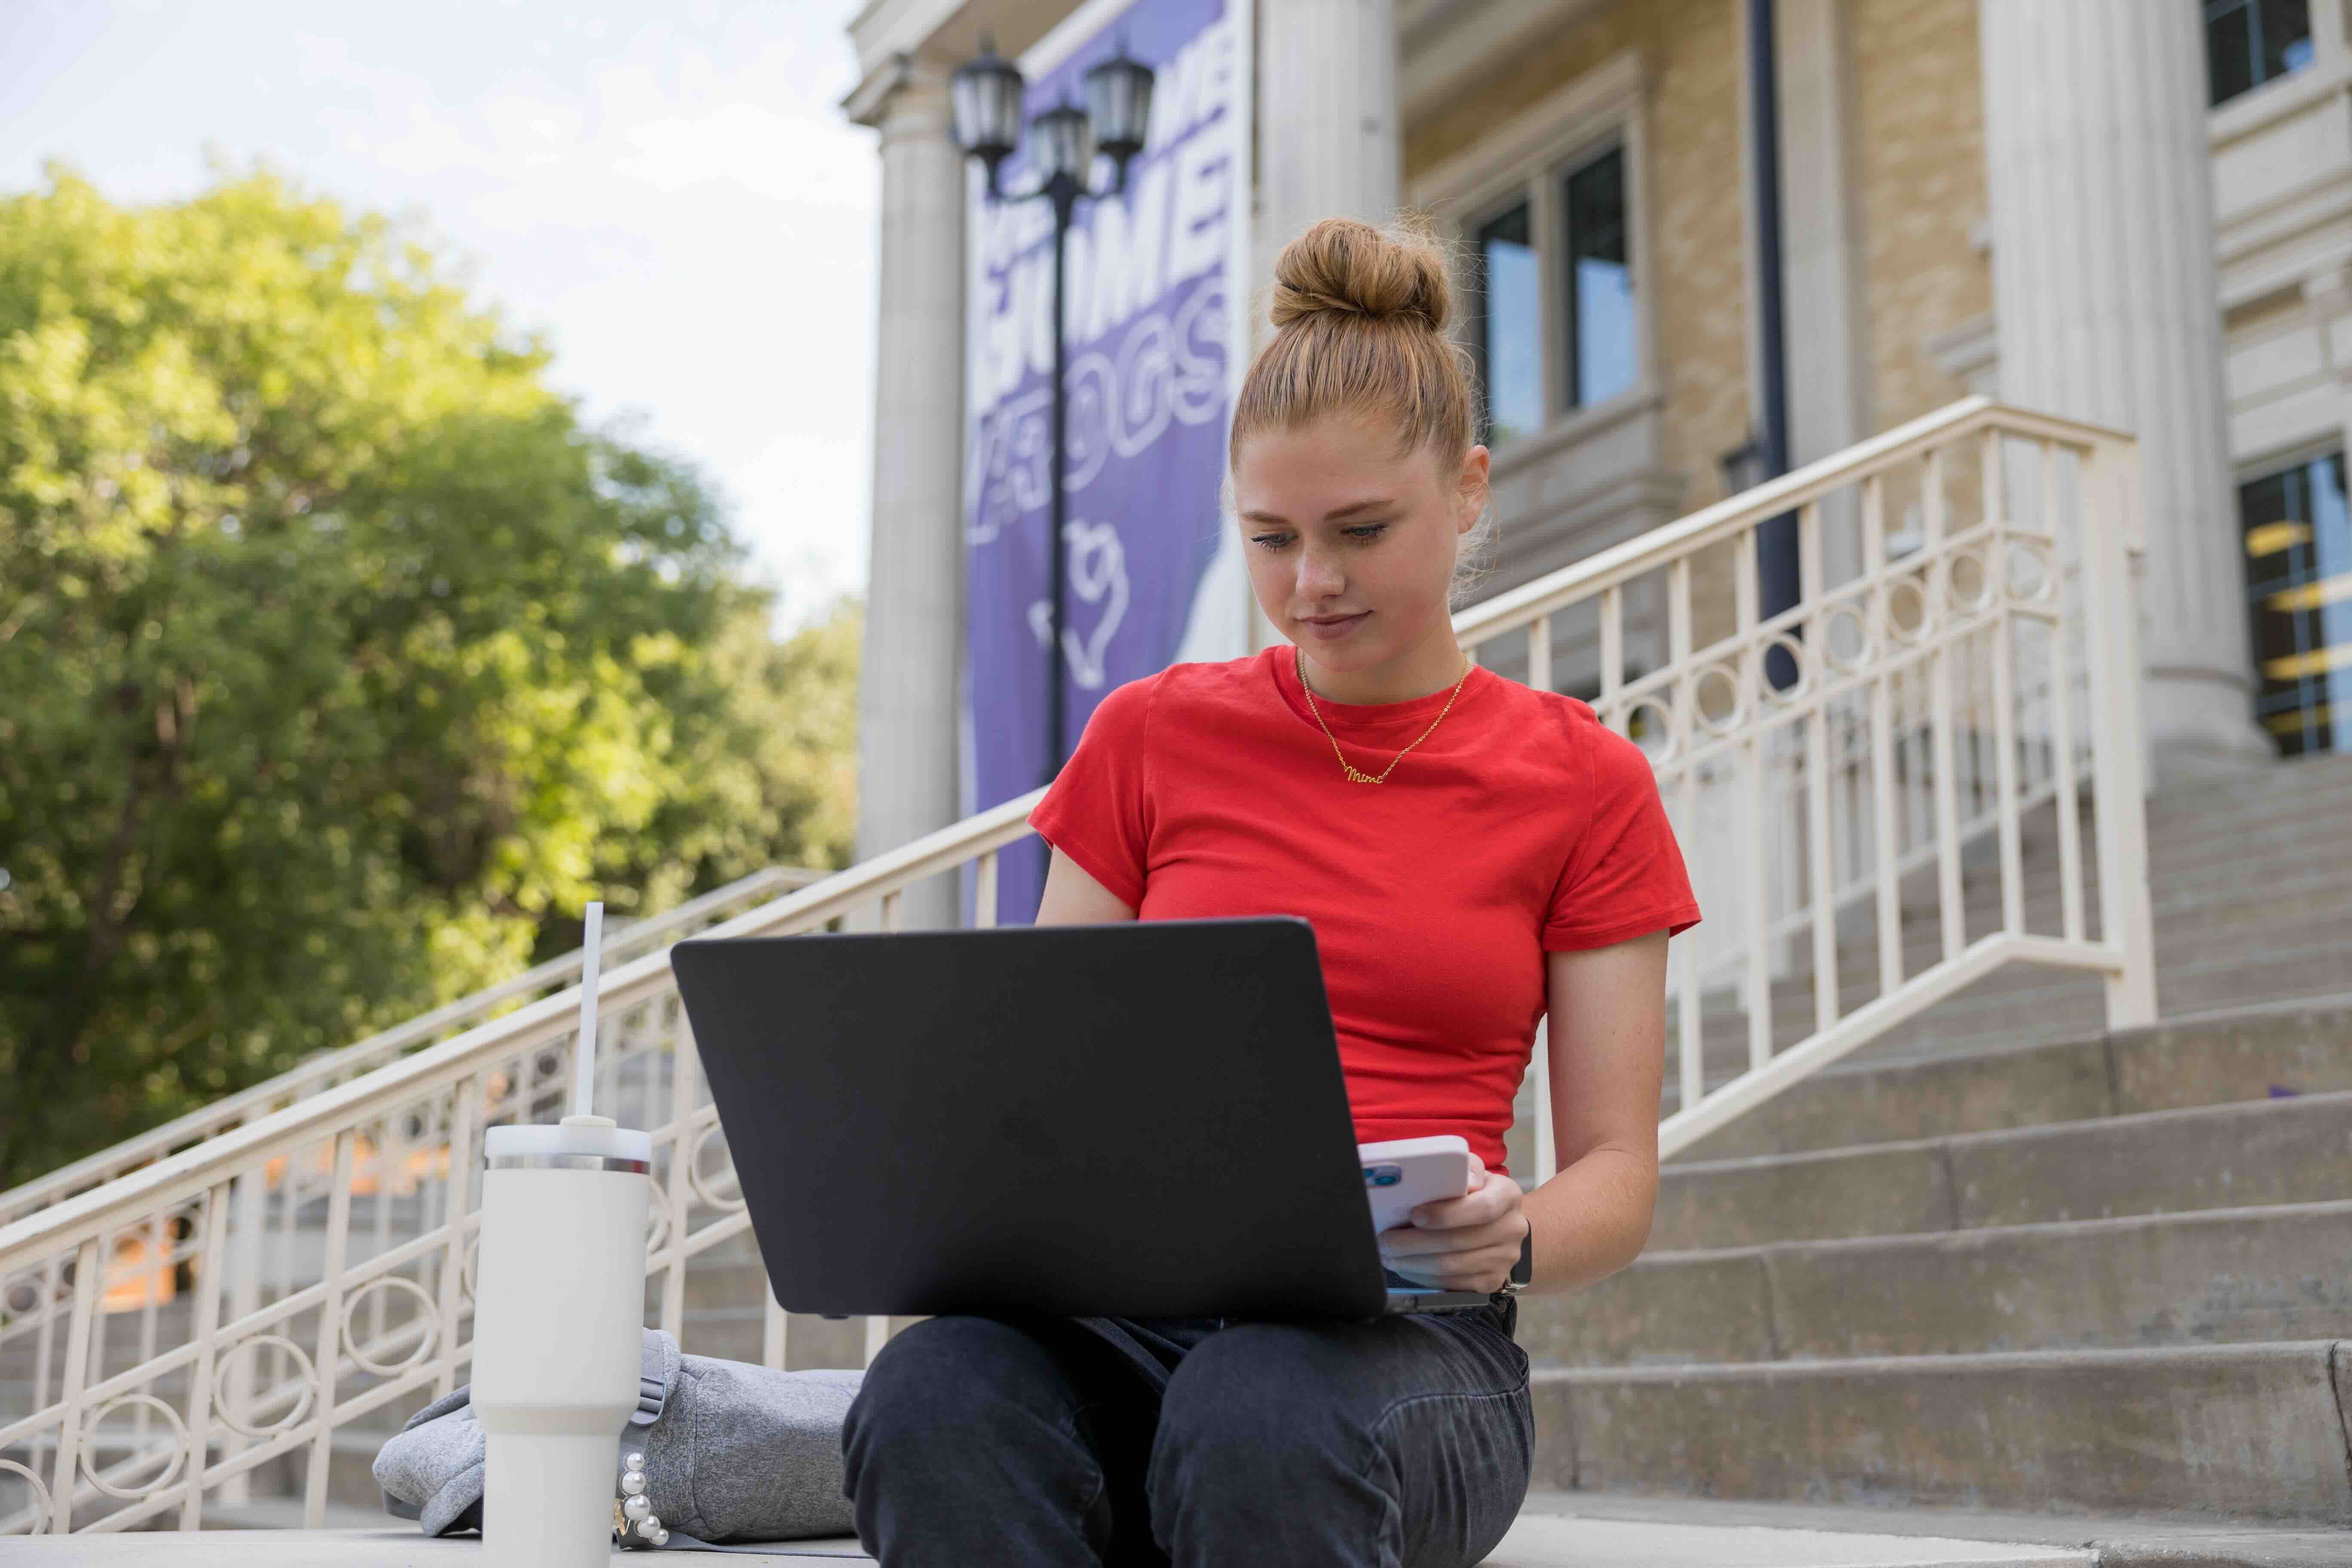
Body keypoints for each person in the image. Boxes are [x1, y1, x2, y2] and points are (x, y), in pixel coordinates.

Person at [839, 214, 1701, 1568]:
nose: (1313, 584)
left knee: (1261, 1411)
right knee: (935, 1391)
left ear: (1469, 492)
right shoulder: (1149, 736)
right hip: (1132, 1324)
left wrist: (1515, 1236)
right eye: (1269, 538)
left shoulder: (1584, 783)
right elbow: (1044, 1089)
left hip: (1410, 1351)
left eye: (1362, 530)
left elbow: (1619, 1178)